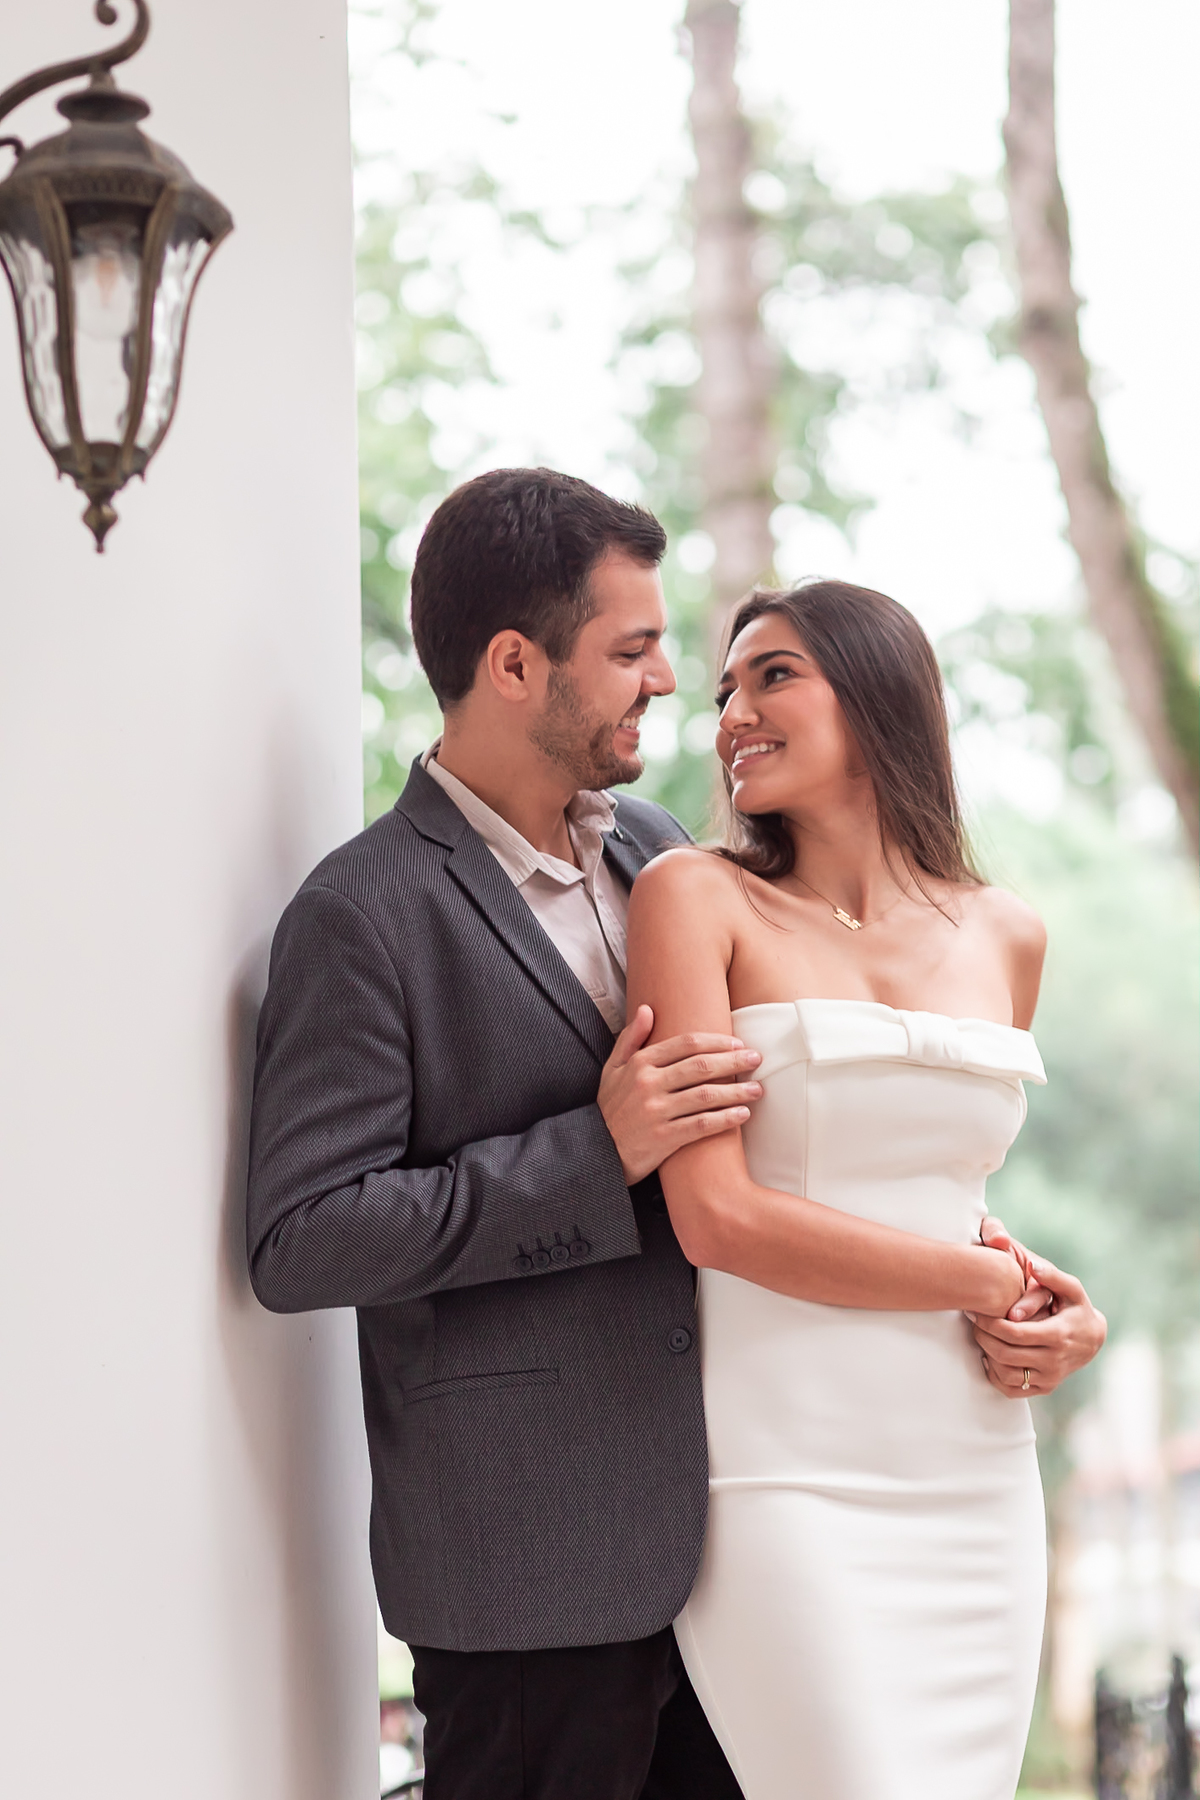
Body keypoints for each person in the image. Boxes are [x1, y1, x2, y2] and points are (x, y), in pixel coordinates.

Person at [245, 471, 1103, 1800]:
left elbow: (827, 1140)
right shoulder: (364, 916)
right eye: (635, 651)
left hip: (738, 1513)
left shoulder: (664, 858)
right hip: (538, 1564)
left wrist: (1007, 1270)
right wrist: (595, 1154)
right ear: (517, 664)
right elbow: (304, 1241)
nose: (668, 683)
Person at [625, 579, 1107, 1800]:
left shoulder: (1009, 934)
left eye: (774, 674)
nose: (732, 710)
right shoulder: (694, 896)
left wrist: (1054, 1310)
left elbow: (945, 1186)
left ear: (883, 693)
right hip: (785, 1473)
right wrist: (978, 1278)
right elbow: (715, 1216)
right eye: (727, 687)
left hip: (976, 1470)